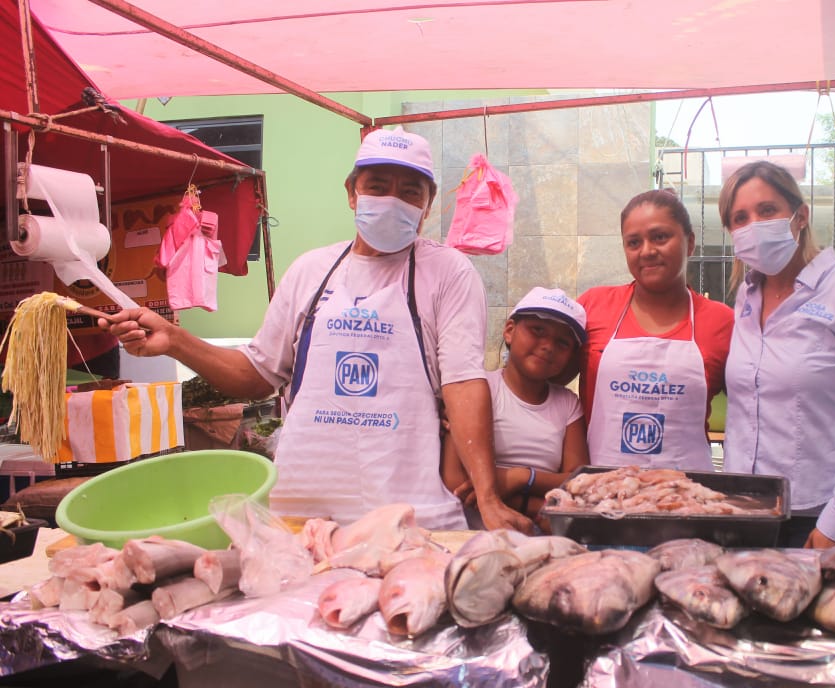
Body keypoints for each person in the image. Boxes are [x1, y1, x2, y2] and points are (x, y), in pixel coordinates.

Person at [101, 127, 531, 533]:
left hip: (409, 516)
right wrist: (177, 341)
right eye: (378, 187)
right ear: (352, 192)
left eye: (409, 192)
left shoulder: (447, 272)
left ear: (428, 203)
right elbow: (257, 374)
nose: (392, 201)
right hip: (300, 515)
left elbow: (463, 382)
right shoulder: (312, 269)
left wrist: (488, 497)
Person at [719, 160, 835, 549]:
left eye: (767, 211)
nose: (753, 225)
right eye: (740, 218)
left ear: (800, 216)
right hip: (750, 511)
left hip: (826, 519)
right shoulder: (747, 297)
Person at [577, 189, 734, 471]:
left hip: (688, 501)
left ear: (689, 243)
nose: (647, 251)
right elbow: (545, 388)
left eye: (660, 237)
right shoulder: (592, 306)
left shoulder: (722, 322)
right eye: (633, 242)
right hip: (601, 497)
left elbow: (754, 410)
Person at [442, 287, 589, 526]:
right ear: (510, 331)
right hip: (473, 528)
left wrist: (521, 478)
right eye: (537, 330)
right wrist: (535, 508)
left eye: (562, 342)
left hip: (539, 531)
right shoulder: (480, 389)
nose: (548, 346)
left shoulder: (568, 404)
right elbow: (455, 481)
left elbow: (577, 480)